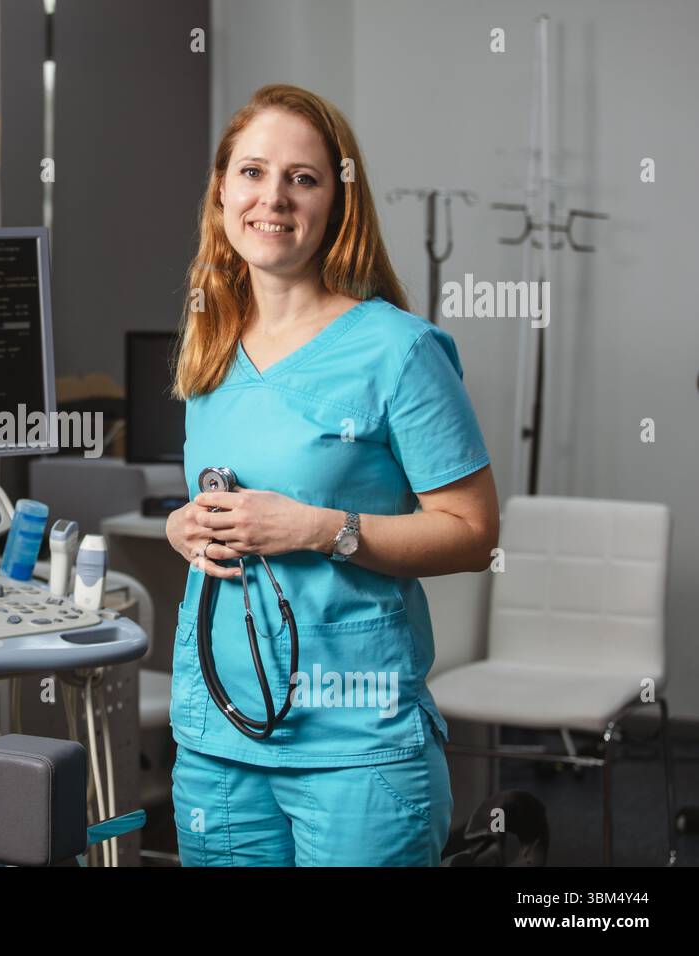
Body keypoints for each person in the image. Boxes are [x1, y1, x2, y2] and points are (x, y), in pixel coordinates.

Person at [164, 84, 499, 866]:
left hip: (353, 742)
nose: (272, 197)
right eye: (252, 172)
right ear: (222, 191)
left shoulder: (400, 351)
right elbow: (225, 496)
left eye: (302, 179)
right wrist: (187, 524)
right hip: (218, 735)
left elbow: (474, 536)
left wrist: (318, 529)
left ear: (337, 201)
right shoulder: (209, 343)